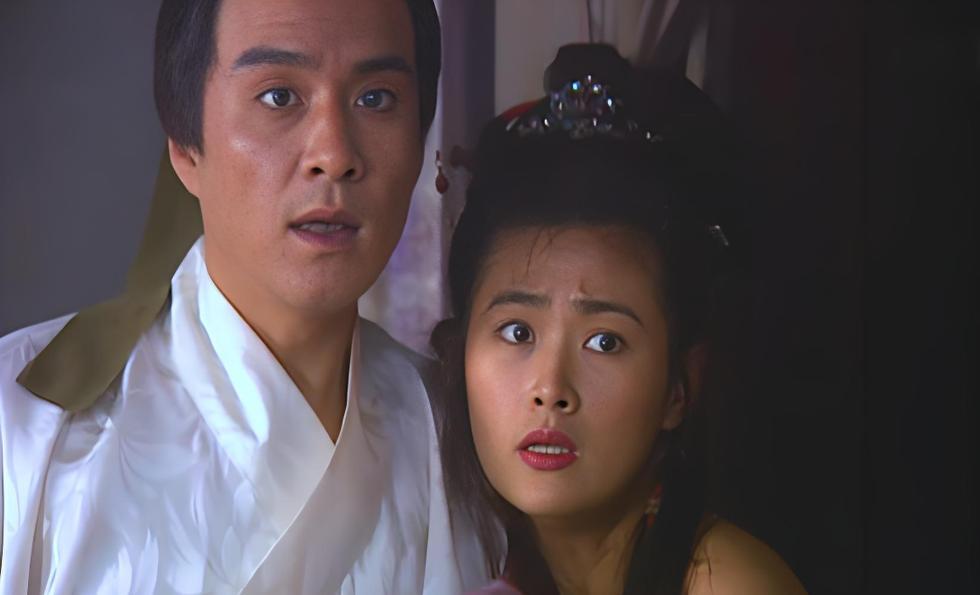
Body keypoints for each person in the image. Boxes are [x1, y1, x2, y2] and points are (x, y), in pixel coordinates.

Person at [0, 0, 486, 592]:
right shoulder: (21, 426)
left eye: (376, 98)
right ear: (186, 147)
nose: (334, 155)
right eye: (279, 96)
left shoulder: (466, 443)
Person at [431, 45, 809, 595]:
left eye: (605, 342)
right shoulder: (464, 555)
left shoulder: (727, 584)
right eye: (518, 332)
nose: (550, 389)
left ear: (679, 387)